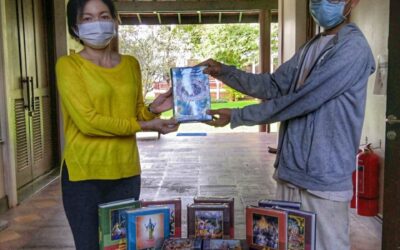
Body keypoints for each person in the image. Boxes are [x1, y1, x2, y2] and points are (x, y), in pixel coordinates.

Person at [201, 0, 375, 249]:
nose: (321, 3)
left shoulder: (353, 48)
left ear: (352, 1)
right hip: (291, 173)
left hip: (323, 180)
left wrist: (239, 116)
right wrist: (224, 72)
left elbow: (303, 100)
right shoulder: (311, 47)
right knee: (286, 245)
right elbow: (273, 85)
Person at [56, 0, 179, 249]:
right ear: (75, 26)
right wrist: (145, 126)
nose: (97, 23)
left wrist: (154, 110)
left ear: (114, 20)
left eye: (103, 15)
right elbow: (88, 122)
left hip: (126, 173)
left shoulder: (131, 64)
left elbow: (135, 113)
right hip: (84, 174)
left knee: (123, 245)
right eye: (87, 19)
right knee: (89, 245)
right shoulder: (69, 66)